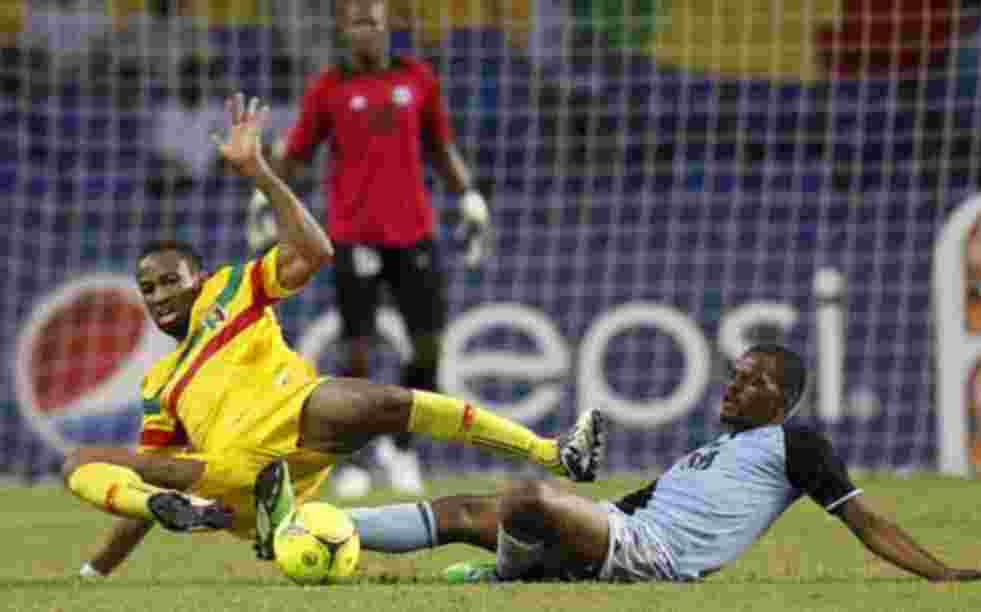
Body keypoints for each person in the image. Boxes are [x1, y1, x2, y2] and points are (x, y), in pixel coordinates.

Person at [64, 93, 605, 578]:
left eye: (168, 280)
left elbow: (318, 252)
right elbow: (153, 478)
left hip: (296, 415)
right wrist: (97, 570)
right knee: (81, 461)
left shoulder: (231, 289)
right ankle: (215, 515)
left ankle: (554, 453)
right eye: (147, 287)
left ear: (199, 280)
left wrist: (259, 172)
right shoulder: (160, 384)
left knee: (388, 401)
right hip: (228, 474)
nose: (157, 295)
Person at [256, 344, 981, 583]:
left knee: (528, 497)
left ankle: (511, 577)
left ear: (784, 400)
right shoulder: (711, 451)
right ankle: (305, 525)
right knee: (460, 511)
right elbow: (634, 505)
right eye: (735, 374)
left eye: (754, 380)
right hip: (622, 531)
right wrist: (591, 512)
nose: (735, 383)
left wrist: (942, 574)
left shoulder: (796, 446)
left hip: (660, 559)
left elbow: (864, 520)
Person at [245, 0, 492, 497]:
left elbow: (441, 147)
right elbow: (296, 154)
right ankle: (354, 458)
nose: (365, 29)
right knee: (357, 352)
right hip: (352, 235)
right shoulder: (329, 89)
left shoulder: (418, 80)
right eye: (355, 21)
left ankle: (399, 447)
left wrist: (467, 195)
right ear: (343, 28)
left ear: (387, 26)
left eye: (372, 21)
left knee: (429, 348)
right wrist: (262, 194)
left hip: (414, 233)